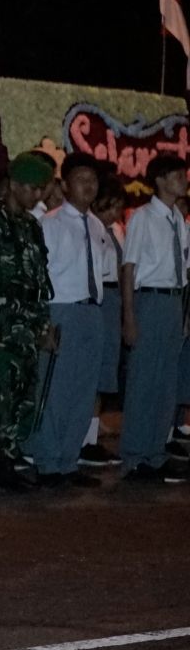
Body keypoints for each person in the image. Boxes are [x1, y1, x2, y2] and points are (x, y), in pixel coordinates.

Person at [0, 152, 56, 494]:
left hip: (26, 325)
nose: (37, 195)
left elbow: (40, 281)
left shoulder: (31, 226)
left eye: (41, 189)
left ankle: (6, 463)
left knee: (22, 396)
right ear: (14, 185)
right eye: (32, 188)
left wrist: (43, 326)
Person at [25, 154, 108, 487]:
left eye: (93, 180)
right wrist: (43, 323)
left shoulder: (97, 225)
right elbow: (36, 277)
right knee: (55, 389)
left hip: (91, 311)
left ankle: (69, 460)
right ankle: (48, 462)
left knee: (83, 391)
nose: (89, 186)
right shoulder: (50, 224)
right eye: (81, 179)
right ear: (65, 185)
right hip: (61, 311)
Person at [117, 154, 190, 483]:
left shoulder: (177, 220)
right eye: (177, 175)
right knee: (144, 380)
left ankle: (156, 451)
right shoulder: (143, 217)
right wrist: (129, 316)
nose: (183, 181)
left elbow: (183, 270)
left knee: (166, 383)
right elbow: (129, 268)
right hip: (150, 299)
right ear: (159, 180)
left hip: (173, 301)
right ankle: (135, 456)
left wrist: (184, 312)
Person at [79, 177, 127, 468]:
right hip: (99, 295)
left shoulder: (116, 230)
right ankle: (84, 439)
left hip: (114, 297)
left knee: (106, 368)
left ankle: (92, 436)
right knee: (92, 369)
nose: (114, 214)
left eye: (118, 208)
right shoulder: (91, 228)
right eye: (109, 208)